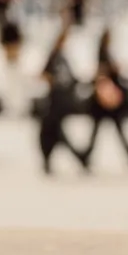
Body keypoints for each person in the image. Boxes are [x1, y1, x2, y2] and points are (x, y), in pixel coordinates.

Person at [83, 28, 128, 170]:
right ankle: (86, 158)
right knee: (108, 132)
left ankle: (86, 158)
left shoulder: (105, 54)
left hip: (105, 100)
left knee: (100, 133)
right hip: (105, 100)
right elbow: (102, 74)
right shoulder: (104, 56)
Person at [37, 19, 88, 175]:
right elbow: (43, 74)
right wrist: (54, 82)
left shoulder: (63, 57)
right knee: (55, 135)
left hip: (61, 102)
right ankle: (79, 158)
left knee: (55, 135)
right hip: (54, 101)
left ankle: (78, 158)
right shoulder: (54, 57)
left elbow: (71, 78)